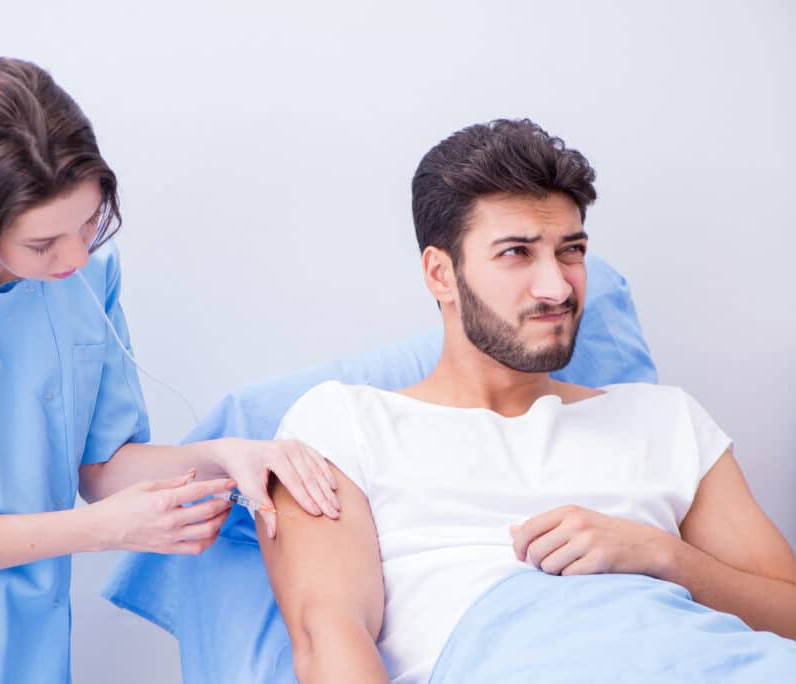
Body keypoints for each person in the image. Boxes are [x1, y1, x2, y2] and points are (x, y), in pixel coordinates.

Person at [0, 57, 339, 684]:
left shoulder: (84, 270)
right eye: (43, 244)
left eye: (88, 222)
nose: (76, 257)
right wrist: (98, 531)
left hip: (26, 640)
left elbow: (103, 466)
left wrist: (229, 456)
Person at [256, 119, 796, 683]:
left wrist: (664, 557)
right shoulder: (346, 425)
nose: (558, 288)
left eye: (572, 251)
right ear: (441, 274)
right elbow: (328, 638)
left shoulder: (664, 419)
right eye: (517, 253)